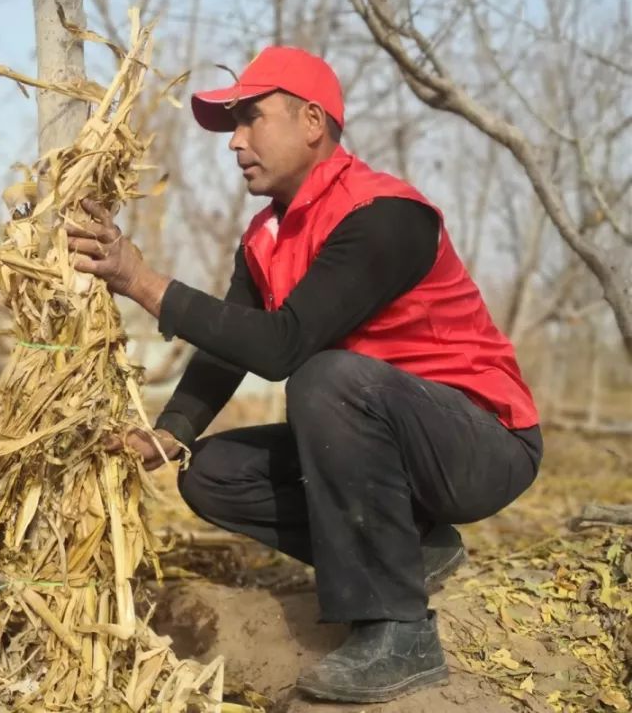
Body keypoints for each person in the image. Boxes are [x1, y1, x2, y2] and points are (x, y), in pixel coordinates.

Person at [66, 47, 542, 703]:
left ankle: (400, 632)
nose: (234, 141)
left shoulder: (385, 215)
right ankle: (417, 546)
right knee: (209, 472)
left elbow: (282, 346)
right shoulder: (265, 236)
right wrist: (171, 430)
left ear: (312, 121)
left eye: (250, 119)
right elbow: (231, 343)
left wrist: (143, 283)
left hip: (483, 442)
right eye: (230, 126)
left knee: (323, 377)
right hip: (387, 442)